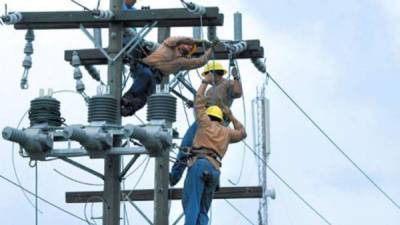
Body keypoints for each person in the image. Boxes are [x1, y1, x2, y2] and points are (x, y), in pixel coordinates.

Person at [181, 76, 247, 225]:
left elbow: (198, 100)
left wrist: (204, 82)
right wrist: (231, 116)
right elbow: (243, 133)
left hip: (199, 164)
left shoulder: (204, 123)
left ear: (209, 114)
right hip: (215, 170)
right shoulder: (227, 132)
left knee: (192, 204)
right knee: (203, 210)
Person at [170, 61, 242, 186]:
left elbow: (237, 93)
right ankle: (175, 177)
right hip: (205, 120)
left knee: (204, 150)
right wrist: (195, 104)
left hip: (216, 121)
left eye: (208, 75)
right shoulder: (211, 89)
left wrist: (236, 77)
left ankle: (212, 178)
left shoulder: (227, 84)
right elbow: (205, 102)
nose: (206, 78)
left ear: (213, 73)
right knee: (187, 147)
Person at [121, 36, 215, 116]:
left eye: (191, 47)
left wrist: (211, 49)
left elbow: (200, 62)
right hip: (144, 68)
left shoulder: (182, 62)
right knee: (145, 77)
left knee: (144, 97)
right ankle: (127, 98)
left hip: (155, 78)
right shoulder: (169, 45)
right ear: (180, 44)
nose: (189, 47)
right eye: (188, 44)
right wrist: (197, 41)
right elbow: (179, 38)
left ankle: (128, 109)